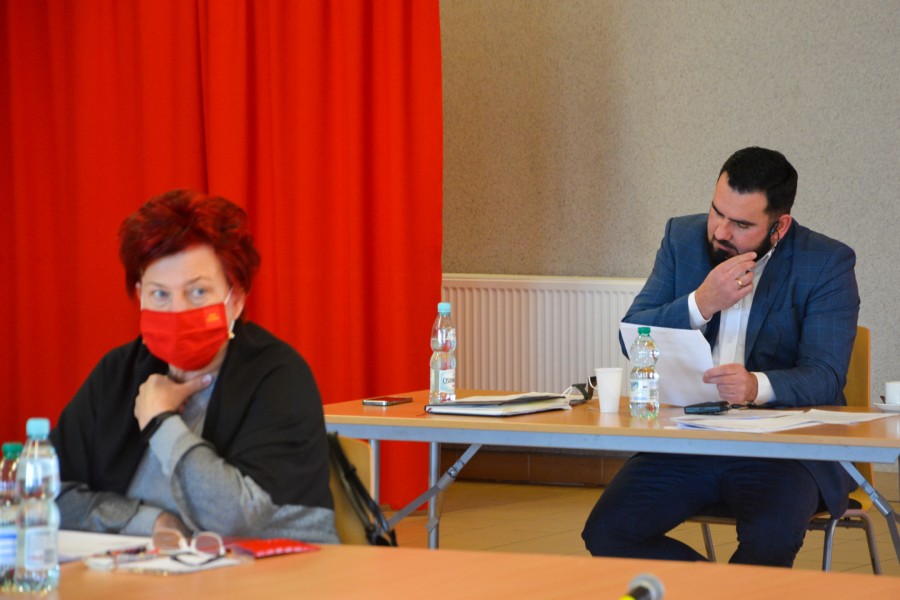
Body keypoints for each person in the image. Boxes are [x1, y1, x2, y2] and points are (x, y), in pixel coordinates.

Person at [581, 147, 859, 567]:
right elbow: (631, 335)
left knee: (768, 540)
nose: (721, 231)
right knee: (608, 532)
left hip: (784, 451)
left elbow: (826, 376)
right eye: (717, 212)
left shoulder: (825, 262)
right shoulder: (682, 239)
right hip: (692, 439)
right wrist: (700, 303)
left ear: (779, 226)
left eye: (742, 224)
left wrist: (754, 386)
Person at [50, 190, 339, 543]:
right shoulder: (117, 374)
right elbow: (43, 492)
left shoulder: (278, 377)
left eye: (198, 292)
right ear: (140, 296)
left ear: (236, 298)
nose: (178, 311)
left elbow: (239, 523)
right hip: (146, 570)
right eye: (160, 294)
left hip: (283, 571)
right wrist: (148, 521)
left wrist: (161, 423)